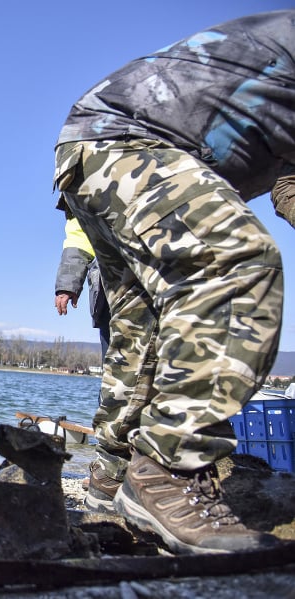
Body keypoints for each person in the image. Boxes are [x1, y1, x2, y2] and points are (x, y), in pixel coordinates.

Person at [53, 9, 293, 554]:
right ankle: (167, 468)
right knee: (236, 263)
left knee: (141, 327)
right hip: (132, 142)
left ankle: (111, 478)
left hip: (90, 146)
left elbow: (288, 187)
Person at [54, 215, 109, 358]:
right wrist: (68, 282)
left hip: (168, 288)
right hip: (112, 293)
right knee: (118, 371)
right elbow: (80, 232)